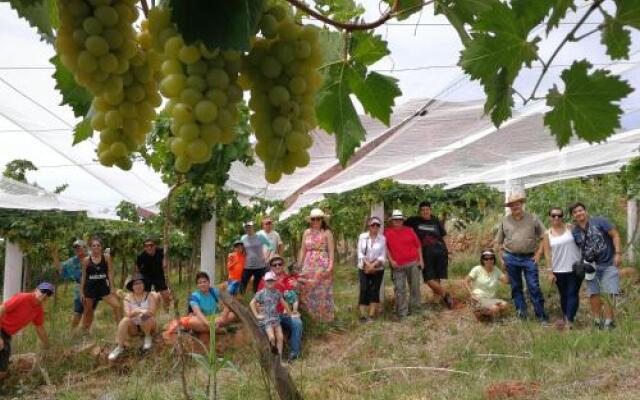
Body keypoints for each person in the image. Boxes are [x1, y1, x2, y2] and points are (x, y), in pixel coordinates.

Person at [495, 193, 548, 323]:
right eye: (512, 205)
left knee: (534, 287)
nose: (515, 206)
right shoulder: (505, 221)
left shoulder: (533, 218)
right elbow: (498, 242)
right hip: (511, 257)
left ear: (521, 204)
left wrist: (538, 254)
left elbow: (544, 236)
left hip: (529, 258)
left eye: (517, 203)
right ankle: (522, 315)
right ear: (509, 207)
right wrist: (501, 259)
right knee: (516, 287)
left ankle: (541, 316)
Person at [569, 202, 622, 330]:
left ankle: (609, 322)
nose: (578, 213)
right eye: (575, 212)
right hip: (590, 266)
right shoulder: (575, 231)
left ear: (585, 211)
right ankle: (597, 321)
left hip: (608, 263)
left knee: (609, 292)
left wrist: (618, 253)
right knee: (594, 294)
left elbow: (615, 234)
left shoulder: (600, 221)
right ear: (572, 215)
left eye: (580, 210)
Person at [405, 201, 454, 309]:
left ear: (430, 210)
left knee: (436, 277)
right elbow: (401, 225)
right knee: (428, 279)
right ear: (419, 211)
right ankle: (445, 294)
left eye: (427, 209)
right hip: (425, 254)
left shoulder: (436, 220)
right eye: (423, 210)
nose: (425, 212)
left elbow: (444, 236)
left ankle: (436, 303)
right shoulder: (414, 221)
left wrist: (449, 251)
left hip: (441, 252)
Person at [0, 282, 53, 380]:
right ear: (36, 290)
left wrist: (48, 347)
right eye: (43, 291)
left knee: (3, 371)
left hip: (7, 335)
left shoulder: (38, 310)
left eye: (48, 293)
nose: (45, 295)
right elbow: (1, 309)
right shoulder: (23, 297)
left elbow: (40, 328)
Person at [257, 254, 303, 362]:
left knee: (297, 323)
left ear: (283, 265)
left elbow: (294, 296)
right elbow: (258, 301)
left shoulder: (290, 279)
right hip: (270, 314)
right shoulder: (264, 281)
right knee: (261, 327)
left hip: (286, 314)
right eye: (274, 264)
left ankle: (294, 353)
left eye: (280, 264)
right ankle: (269, 356)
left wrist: (294, 311)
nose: (277, 266)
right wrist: (260, 313)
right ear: (271, 267)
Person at [542, 207, 582, 328]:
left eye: (559, 215)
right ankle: (566, 316)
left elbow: (582, 241)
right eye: (554, 215)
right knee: (564, 294)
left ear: (562, 217)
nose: (556, 218)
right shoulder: (547, 234)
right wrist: (550, 271)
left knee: (572, 293)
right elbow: (547, 253)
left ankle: (569, 321)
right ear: (550, 217)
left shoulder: (571, 228)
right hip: (558, 269)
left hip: (575, 267)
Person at [108, 273, 159, 361]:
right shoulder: (127, 298)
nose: (138, 286)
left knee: (145, 316)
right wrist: (138, 311)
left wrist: (142, 313)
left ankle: (147, 336)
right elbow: (128, 314)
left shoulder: (150, 295)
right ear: (132, 286)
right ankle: (119, 346)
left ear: (144, 284)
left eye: (140, 283)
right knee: (124, 320)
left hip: (149, 324)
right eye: (135, 284)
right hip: (134, 327)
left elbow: (152, 312)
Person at [384, 209, 423, 320]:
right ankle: (402, 313)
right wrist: (391, 260)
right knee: (399, 288)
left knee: (415, 287)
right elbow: (385, 248)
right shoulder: (387, 232)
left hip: (413, 262)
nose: (398, 221)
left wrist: (421, 260)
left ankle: (416, 310)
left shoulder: (410, 230)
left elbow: (418, 246)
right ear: (392, 221)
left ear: (402, 220)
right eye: (395, 220)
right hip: (397, 265)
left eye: (399, 219)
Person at [297, 208, 335, 322]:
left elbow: (331, 251)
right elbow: (303, 250)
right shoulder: (306, 232)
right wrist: (299, 266)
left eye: (318, 219)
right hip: (308, 265)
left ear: (322, 220)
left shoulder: (327, 233)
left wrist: (330, 266)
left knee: (322, 291)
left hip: (322, 265)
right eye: (313, 219)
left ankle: (324, 319)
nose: (315, 221)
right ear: (310, 220)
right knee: (307, 290)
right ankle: (310, 318)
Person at [80, 238, 122, 332]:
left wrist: (112, 287)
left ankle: (120, 328)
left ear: (101, 247)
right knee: (88, 311)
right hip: (90, 289)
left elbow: (110, 272)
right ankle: (85, 331)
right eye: (93, 245)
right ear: (90, 248)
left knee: (117, 306)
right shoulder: (86, 260)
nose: (96, 247)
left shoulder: (106, 257)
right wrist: (81, 292)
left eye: (98, 245)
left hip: (103, 288)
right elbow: (83, 277)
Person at [251, 271, 291, 365]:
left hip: (276, 318)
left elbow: (283, 303)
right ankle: (273, 355)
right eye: (268, 281)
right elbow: (252, 303)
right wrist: (257, 315)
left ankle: (279, 360)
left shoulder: (277, 292)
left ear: (275, 281)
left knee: (280, 337)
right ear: (265, 281)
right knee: (272, 337)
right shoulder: (261, 293)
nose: (270, 283)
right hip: (267, 319)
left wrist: (290, 313)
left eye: (272, 281)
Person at [464, 250, 509, 321]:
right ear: (482, 260)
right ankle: (491, 320)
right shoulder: (477, 269)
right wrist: (471, 294)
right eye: (486, 259)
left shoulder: (496, 270)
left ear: (494, 260)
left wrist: (505, 269)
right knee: (495, 308)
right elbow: (466, 281)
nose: (489, 260)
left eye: (491, 258)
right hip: (479, 298)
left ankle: (487, 316)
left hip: (491, 298)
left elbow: (506, 281)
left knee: (505, 305)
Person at [52, 239, 86, 330]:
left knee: (88, 311)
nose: (77, 250)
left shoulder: (91, 257)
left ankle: (84, 331)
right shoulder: (72, 261)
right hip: (79, 289)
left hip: (92, 287)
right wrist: (55, 255)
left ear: (84, 248)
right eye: (75, 249)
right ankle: (72, 332)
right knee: (78, 312)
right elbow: (60, 267)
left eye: (79, 248)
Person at [356, 216, 386, 322]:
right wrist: (368, 265)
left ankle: (372, 315)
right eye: (373, 224)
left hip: (377, 268)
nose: (375, 227)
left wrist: (373, 266)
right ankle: (363, 315)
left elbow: (383, 255)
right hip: (364, 266)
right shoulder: (362, 237)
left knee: (374, 290)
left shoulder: (382, 238)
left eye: (377, 225)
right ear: (369, 225)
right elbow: (359, 252)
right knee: (364, 289)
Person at [136, 238, 171, 310]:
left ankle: (167, 310)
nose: (149, 247)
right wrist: (138, 279)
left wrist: (165, 261)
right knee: (145, 296)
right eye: (146, 246)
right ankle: (145, 311)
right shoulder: (141, 256)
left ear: (155, 246)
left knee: (166, 294)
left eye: (151, 245)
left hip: (159, 275)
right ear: (144, 248)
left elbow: (166, 252)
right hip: (146, 276)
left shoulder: (161, 251)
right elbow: (137, 268)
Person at [241, 221, 274, 294]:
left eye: (249, 227)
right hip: (247, 265)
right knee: (243, 283)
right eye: (246, 227)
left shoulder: (260, 237)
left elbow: (271, 246)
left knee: (257, 286)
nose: (247, 228)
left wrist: (266, 256)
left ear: (252, 227)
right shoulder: (243, 238)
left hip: (259, 265)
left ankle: (257, 302)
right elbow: (242, 250)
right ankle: (242, 300)